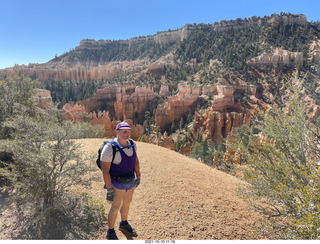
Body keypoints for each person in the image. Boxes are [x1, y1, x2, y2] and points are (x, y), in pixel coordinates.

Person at [100, 121, 141, 240]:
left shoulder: (132, 144)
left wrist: (138, 176)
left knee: (127, 203)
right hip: (116, 183)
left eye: (128, 131)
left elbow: (136, 161)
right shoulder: (109, 148)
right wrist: (109, 189)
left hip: (130, 180)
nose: (125, 134)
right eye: (123, 131)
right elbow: (105, 171)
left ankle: (123, 224)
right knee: (115, 207)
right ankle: (110, 231)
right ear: (117, 132)